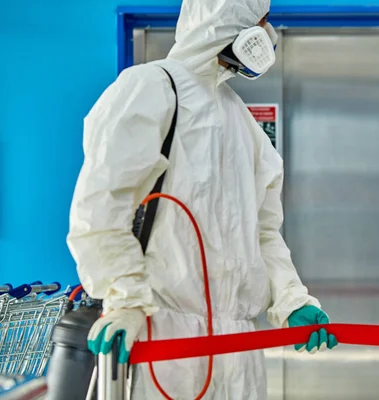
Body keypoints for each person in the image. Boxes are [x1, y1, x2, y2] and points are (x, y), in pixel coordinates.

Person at [66, 0, 337, 398]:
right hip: (163, 339)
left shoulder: (241, 121)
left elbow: (263, 232)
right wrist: (125, 301)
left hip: (238, 347)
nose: (268, 34)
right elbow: (102, 204)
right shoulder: (150, 88)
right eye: (260, 21)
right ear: (227, 21)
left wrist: (290, 298)